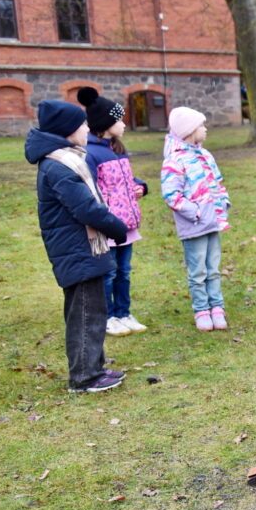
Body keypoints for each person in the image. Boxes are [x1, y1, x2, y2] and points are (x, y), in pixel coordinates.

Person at [26, 100, 129, 393]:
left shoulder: (65, 159)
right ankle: (84, 377)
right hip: (76, 250)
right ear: (68, 130)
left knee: (91, 310)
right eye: (81, 124)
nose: (86, 128)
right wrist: (117, 228)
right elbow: (86, 209)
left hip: (82, 249)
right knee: (86, 313)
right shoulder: (59, 166)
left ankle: (94, 368)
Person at [78, 87, 149, 338]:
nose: (124, 124)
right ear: (106, 123)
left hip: (127, 224)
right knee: (108, 272)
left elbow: (126, 179)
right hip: (108, 224)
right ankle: (107, 316)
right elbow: (91, 188)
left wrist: (140, 186)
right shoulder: (92, 154)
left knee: (124, 271)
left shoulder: (117, 149)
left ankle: (123, 312)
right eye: (119, 119)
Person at [160, 107, 232, 330]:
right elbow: (171, 194)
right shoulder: (174, 160)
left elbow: (217, 182)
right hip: (194, 225)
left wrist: (223, 202)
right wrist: (196, 212)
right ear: (189, 131)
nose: (206, 129)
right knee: (198, 271)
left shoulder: (205, 155)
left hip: (212, 222)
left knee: (213, 267)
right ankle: (201, 310)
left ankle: (217, 307)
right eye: (202, 125)